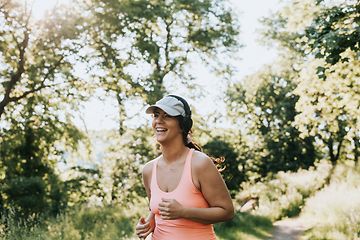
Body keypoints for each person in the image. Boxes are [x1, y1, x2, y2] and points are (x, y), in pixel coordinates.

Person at [135, 95, 234, 240]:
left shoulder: (200, 164)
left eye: (167, 116)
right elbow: (156, 211)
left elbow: (227, 211)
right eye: (156, 115)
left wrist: (183, 212)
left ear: (183, 124)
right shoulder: (149, 170)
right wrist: (149, 223)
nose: (158, 121)